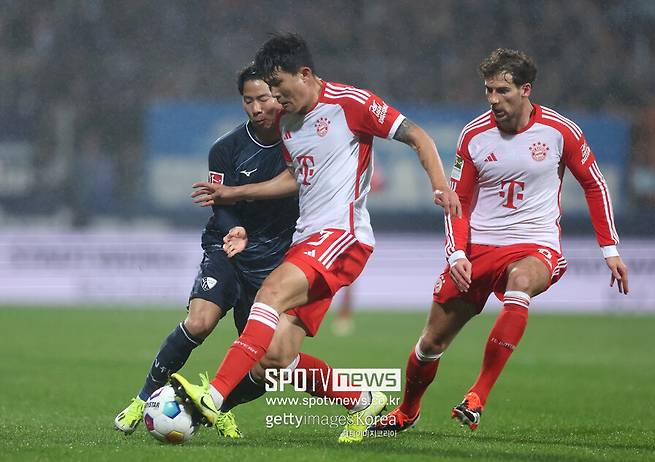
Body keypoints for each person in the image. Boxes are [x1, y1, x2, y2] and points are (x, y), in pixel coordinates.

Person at [172, 33, 461, 443]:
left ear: (303, 74)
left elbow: (418, 136)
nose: (274, 98)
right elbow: (295, 178)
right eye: (268, 90)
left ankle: (213, 397)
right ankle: (365, 401)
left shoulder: (350, 104)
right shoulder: (289, 124)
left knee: (268, 293)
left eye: (278, 86)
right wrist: (235, 193)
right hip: (307, 241)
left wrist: (440, 184)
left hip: (342, 236)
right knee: (276, 357)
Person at [373, 48, 630, 433]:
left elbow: (594, 184)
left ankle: (477, 396)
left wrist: (609, 249)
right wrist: (457, 253)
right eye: (488, 90)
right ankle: (408, 411)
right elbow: (458, 203)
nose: (493, 100)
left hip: (535, 244)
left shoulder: (561, 132)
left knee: (521, 283)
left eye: (502, 91)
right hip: (479, 248)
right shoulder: (474, 136)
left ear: (526, 90)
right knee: (430, 345)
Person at [113, 65, 299, 437]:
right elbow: (220, 202)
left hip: (275, 259)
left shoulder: (301, 143)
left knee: (270, 361)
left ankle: (217, 407)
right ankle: (142, 399)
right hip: (227, 247)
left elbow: (297, 186)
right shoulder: (226, 148)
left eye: (263, 98)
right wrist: (234, 229)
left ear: (279, 97)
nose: (256, 108)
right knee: (199, 322)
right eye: (248, 100)